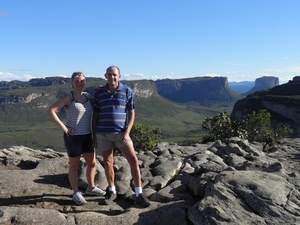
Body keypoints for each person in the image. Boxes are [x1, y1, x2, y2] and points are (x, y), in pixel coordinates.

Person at [92, 66, 150, 207]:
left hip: (121, 133)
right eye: (110, 75)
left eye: (115, 75)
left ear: (120, 76)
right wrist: (94, 136)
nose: (112, 77)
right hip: (103, 134)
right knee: (108, 163)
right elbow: (96, 115)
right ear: (105, 76)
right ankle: (111, 191)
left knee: (134, 160)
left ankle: (139, 193)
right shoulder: (99, 93)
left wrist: (127, 132)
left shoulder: (127, 91)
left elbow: (132, 113)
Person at [47, 71, 106, 205]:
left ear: (85, 82)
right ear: (72, 83)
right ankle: (75, 193)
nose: (80, 83)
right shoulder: (69, 97)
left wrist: (103, 89)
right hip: (73, 137)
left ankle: (90, 187)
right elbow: (51, 110)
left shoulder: (87, 96)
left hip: (87, 135)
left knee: (92, 163)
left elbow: (99, 104)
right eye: (77, 81)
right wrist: (64, 127)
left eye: (82, 81)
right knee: (74, 165)